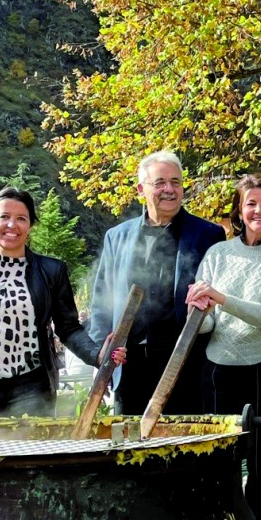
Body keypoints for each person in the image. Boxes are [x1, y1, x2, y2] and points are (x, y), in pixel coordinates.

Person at [187, 173, 261, 520]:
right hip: (218, 368)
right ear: (239, 209)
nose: (259, 210)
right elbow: (206, 328)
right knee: (219, 464)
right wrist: (199, 310)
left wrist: (220, 298)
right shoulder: (217, 254)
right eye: (251, 203)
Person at [86, 152, 224, 416]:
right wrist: (98, 360)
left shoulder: (208, 234)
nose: (169, 190)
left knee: (185, 449)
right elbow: (102, 301)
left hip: (186, 364)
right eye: (160, 182)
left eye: (176, 182)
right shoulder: (117, 237)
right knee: (130, 451)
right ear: (141, 189)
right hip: (128, 365)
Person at [0, 186, 97, 417]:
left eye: (21, 218)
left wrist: (97, 354)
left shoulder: (51, 271)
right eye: (4, 217)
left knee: (28, 449)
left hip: (29, 387)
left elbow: (68, 328)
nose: (12, 225)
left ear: (30, 226)